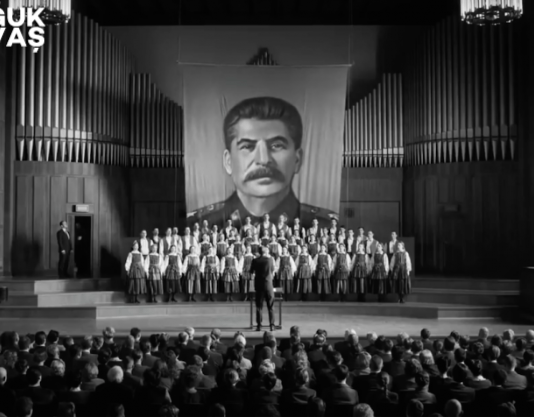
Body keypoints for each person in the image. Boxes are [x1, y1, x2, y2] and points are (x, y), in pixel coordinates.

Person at [187, 97, 338, 229]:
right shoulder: (198, 224)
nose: (263, 160)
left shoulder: (326, 226)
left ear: (297, 160)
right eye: (247, 146)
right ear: (228, 161)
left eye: (277, 145)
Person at [251, 246, 276, 331]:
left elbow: (251, 271)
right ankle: (272, 325)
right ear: (266, 252)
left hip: (259, 285)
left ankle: (259, 325)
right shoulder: (270, 260)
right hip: (268, 285)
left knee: (259, 307)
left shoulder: (255, 260)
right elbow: (272, 270)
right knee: (271, 306)